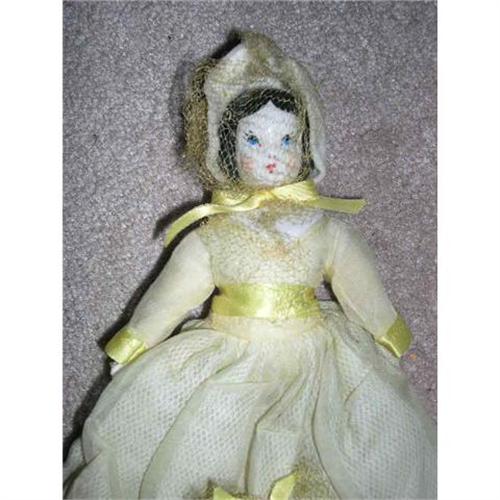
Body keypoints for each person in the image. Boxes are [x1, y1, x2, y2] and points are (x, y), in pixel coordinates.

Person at [64, 32, 437, 499]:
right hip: (229, 354)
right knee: (198, 444)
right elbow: (175, 291)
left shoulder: (325, 229)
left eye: (287, 139)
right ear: (228, 149)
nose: (273, 155)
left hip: (315, 358)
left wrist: (386, 332)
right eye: (255, 140)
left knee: (345, 447)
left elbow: (359, 283)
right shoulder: (214, 233)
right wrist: (136, 342)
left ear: (306, 146)